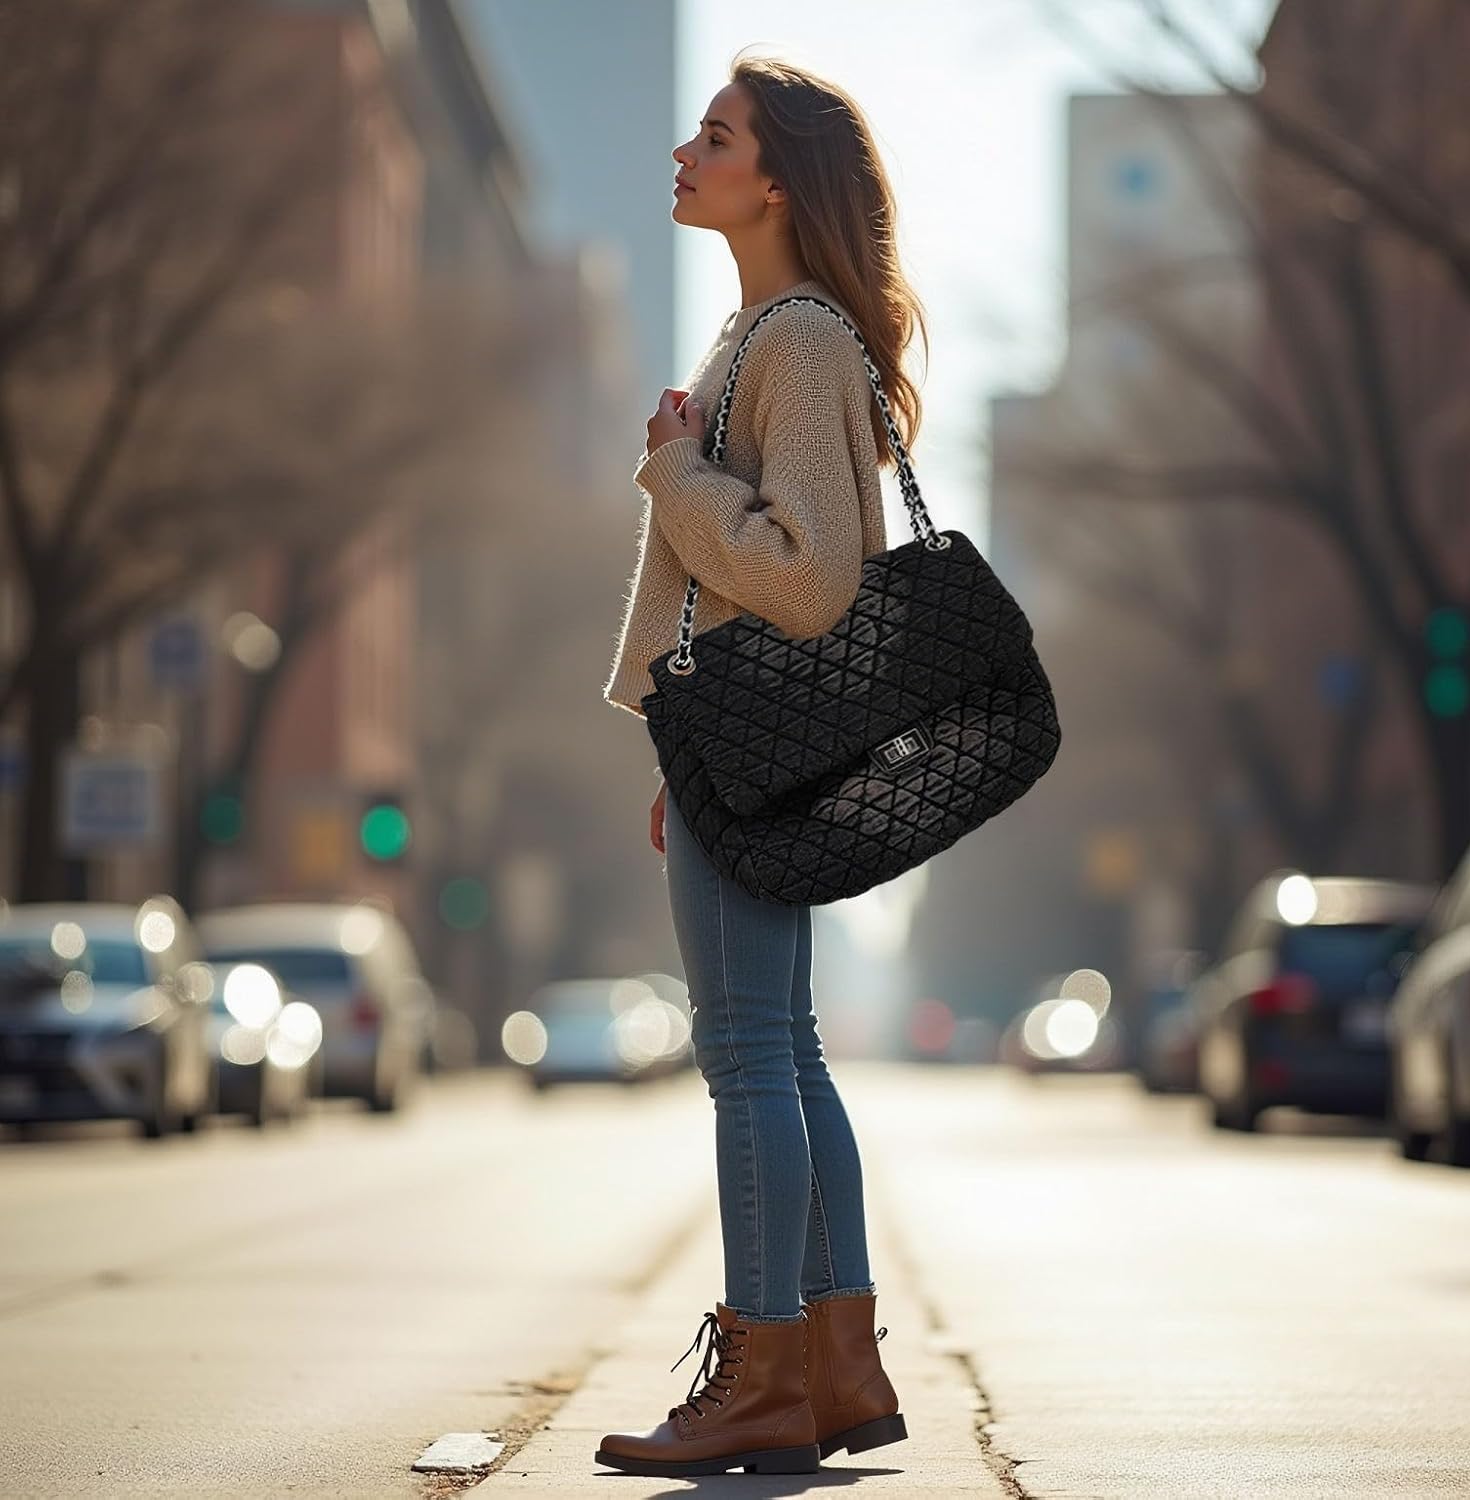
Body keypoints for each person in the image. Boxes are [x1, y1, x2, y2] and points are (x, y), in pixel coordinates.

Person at [596, 51, 923, 1479]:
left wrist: (674, 468)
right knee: (782, 1048)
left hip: (757, 726)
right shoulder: (773, 337)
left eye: (715, 137)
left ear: (776, 180)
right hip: (743, 731)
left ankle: (761, 1373)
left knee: (746, 1058)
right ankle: (833, 1367)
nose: (686, 150)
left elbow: (806, 578)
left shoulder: (788, 341)